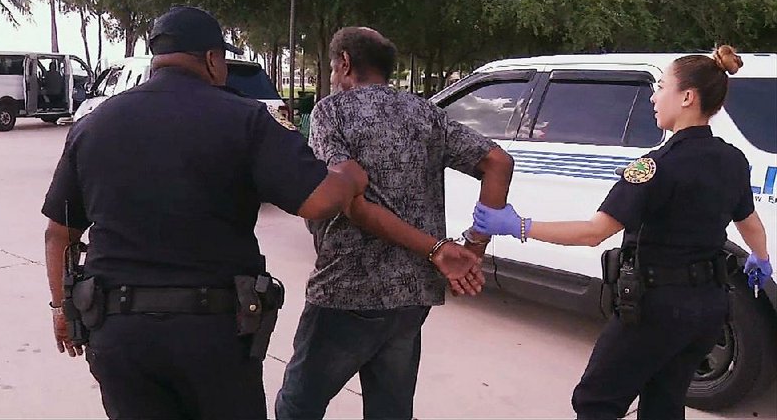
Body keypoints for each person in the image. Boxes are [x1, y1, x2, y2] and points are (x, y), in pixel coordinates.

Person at [42, 6, 370, 420]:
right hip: (212, 336)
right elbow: (319, 201)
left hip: (119, 335)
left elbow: (59, 233)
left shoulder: (95, 123)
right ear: (213, 59)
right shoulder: (244, 118)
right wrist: (349, 176)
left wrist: (60, 309)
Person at [472, 46, 773, 420]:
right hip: (710, 307)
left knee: (595, 401)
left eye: (660, 87)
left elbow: (593, 232)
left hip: (658, 308)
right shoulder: (733, 159)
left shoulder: (653, 167)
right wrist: (761, 258)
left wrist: (517, 225)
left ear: (687, 97)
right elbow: (750, 222)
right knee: (664, 398)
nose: (653, 96)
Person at [275, 27, 515, 419]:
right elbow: (498, 162)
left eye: (334, 70)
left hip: (348, 289)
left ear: (345, 63)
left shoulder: (331, 112)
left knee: (298, 405)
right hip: (413, 295)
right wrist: (473, 248)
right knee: (391, 409)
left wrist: (440, 250)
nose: (334, 79)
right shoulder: (428, 114)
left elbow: (351, 202)